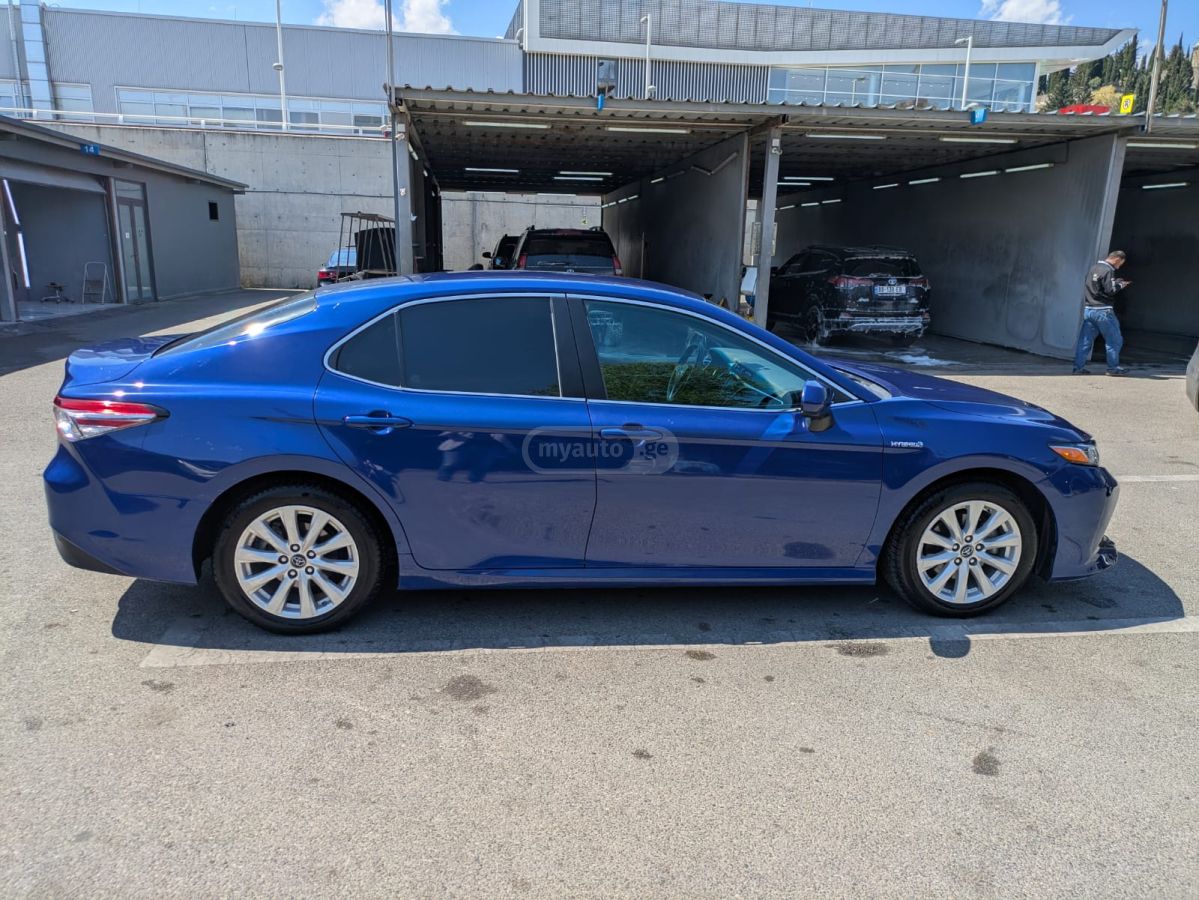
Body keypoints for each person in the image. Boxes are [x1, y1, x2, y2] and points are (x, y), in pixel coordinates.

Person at [1072, 250, 1131, 376]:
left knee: (1085, 340)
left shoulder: (1094, 268)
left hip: (1089, 309)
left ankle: (1078, 368)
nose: (1119, 266)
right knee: (1114, 340)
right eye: (1120, 263)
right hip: (1103, 311)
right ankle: (1113, 368)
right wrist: (1120, 285)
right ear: (1117, 259)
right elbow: (1110, 290)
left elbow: (1096, 287)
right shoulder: (1108, 270)